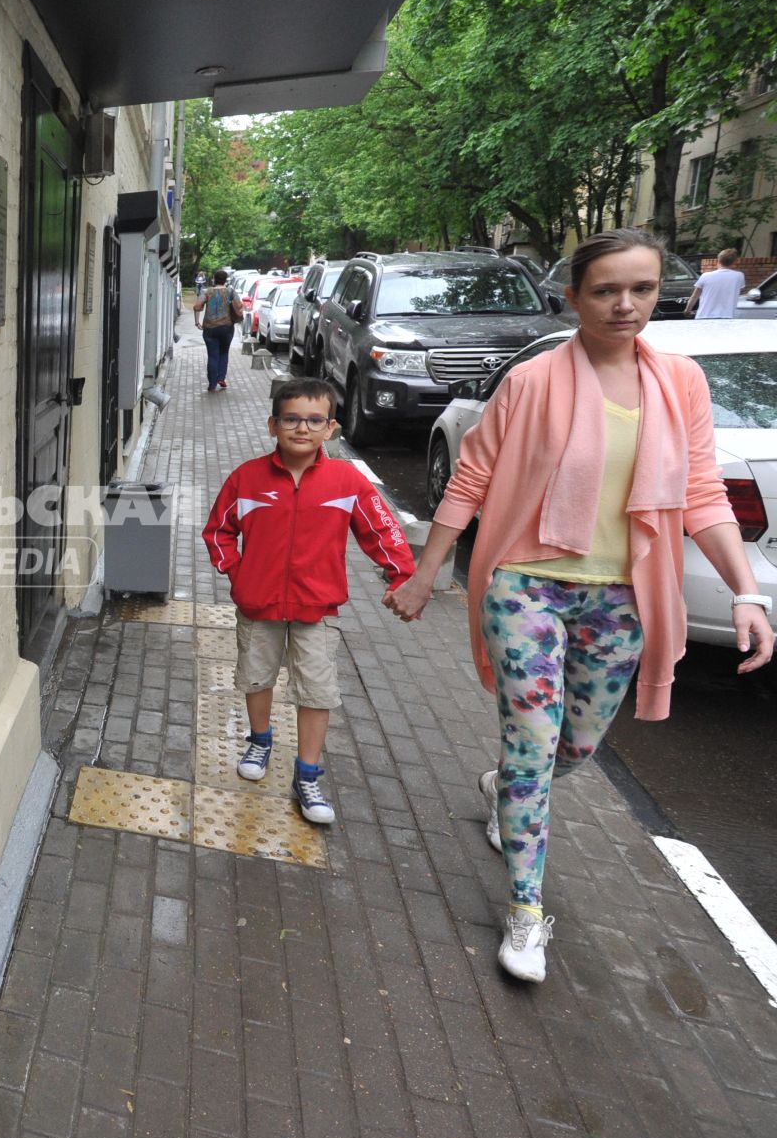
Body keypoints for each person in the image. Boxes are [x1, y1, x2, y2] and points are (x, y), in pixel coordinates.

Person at [385, 228, 774, 984]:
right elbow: (469, 481)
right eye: (605, 290)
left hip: (623, 597)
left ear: (662, 290)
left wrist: (746, 590)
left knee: (578, 747)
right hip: (527, 583)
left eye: (642, 288)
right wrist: (425, 572)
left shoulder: (682, 383)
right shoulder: (532, 383)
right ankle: (526, 911)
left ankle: (504, 789)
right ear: (574, 297)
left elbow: (701, 494)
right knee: (533, 745)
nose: (625, 304)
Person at [202, 377, 417, 826]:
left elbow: (382, 531)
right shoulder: (247, 478)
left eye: (314, 420)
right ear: (272, 425)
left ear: (331, 428)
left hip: (317, 610)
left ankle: (307, 775)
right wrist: (237, 573)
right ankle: (260, 740)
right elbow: (218, 531)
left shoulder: (346, 481)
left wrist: (403, 576)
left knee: (317, 691)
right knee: (256, 678)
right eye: (292, 419)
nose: (302, 428)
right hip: (257, 606)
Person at [194, 269, 241, 391]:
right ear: (225, 280)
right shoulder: (230, 291)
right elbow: (239, 306)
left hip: (210, 328)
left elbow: (197, 307)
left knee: (212, 355)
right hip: (227, 327)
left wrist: (197, 322)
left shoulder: (206, 291)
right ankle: (221, 378)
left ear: (214, 279)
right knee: (224, 353)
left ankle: (212, 383)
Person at [687, 247, 745, 319]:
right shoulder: (739, 276)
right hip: (727, 317)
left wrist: (687, 310)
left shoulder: (705, 276)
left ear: (718, 260)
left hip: (704, 316)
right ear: (734, 262)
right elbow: (740, 291)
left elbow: (694, 296)